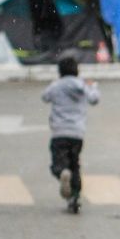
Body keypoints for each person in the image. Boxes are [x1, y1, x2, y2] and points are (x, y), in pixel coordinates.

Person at [42, 55, 99, 214]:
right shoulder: (81, 85)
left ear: (59, 71)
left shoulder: (56, 85)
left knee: (58, 164)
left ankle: (62, 172)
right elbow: (94, 99)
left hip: (59, 132)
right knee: (75, 165)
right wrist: (92, 86)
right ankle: (74, 197)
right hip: (77, 134)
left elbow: (44, 97)